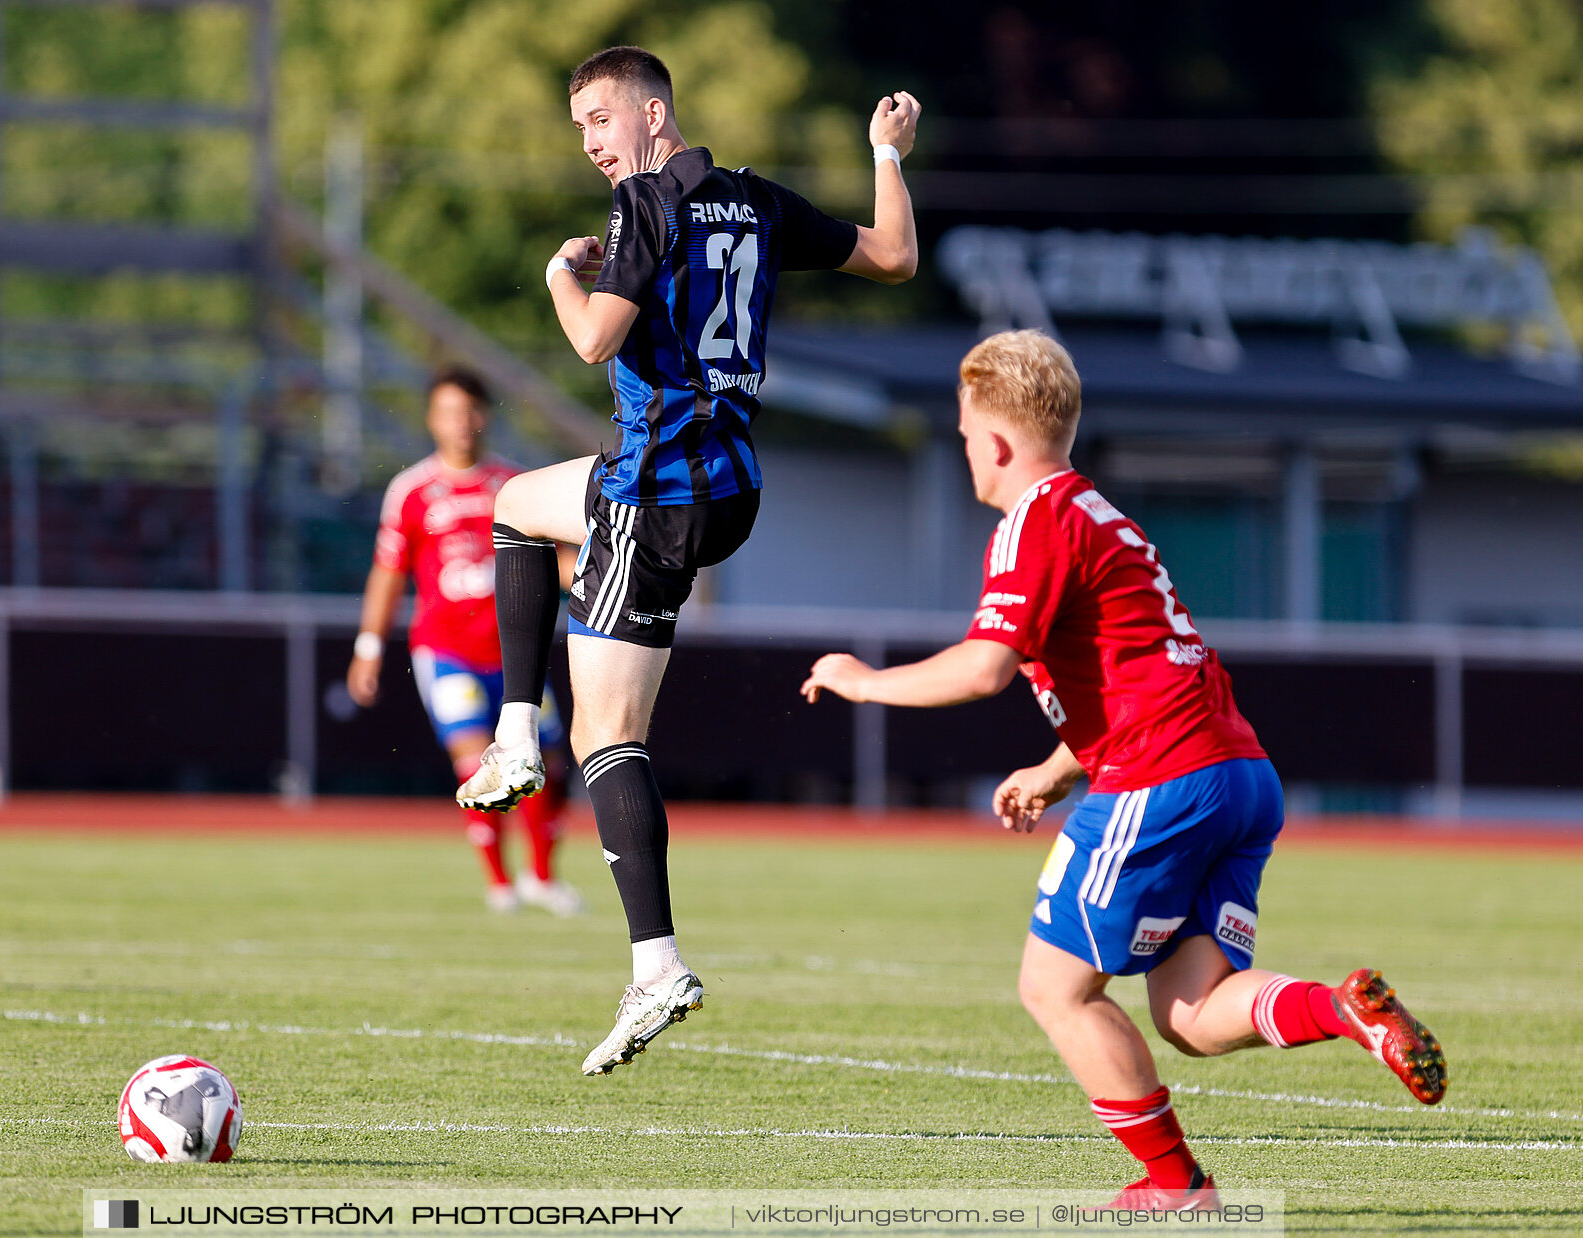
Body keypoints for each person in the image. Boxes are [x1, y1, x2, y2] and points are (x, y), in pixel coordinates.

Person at [800, 330, 1447, 1209]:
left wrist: (865, 681)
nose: (963, 452)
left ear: (992, 442)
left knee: (1053, 987)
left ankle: (1177, 1187)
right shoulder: (1100, 512)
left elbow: (986, 667)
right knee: (1189, 1010)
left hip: (1160, 779)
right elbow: (1134, 666)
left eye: (961, 436)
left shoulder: (1034, 524)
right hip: (1239, 774)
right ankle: (1343, 1007)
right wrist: (1057, 768)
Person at [453, 45, 922, 1075]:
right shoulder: (751, 200)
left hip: (654, 493)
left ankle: (655, 960)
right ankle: (514, 733)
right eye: (580, 125)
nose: (590, 141)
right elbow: (894, 258)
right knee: (516, 505)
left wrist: (558, 274)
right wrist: (885, 153)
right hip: (729, 487)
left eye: (600, 119)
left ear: (654, 116)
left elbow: (591, 340)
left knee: (611, 734)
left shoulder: (640, 206)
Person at [348, 366, 582, 917]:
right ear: (431, 419)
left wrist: (606, 570)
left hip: (514, 652)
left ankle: (542, 878)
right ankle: (499, 884)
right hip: (447, 650)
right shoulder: (411, 490)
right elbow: (388, 572)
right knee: (475, 759)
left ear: (485, 416)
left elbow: (555, 562)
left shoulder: (514, 485)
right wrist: (368, 647)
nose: (461, 422)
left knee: (546, 760)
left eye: (471, 410)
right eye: (449, 411)